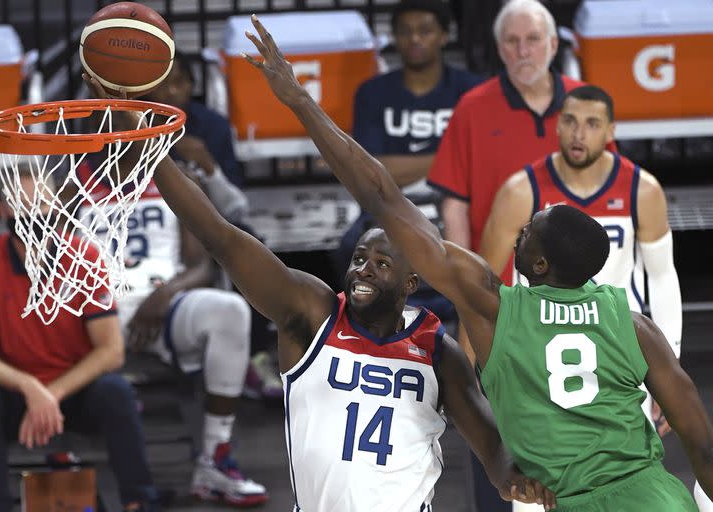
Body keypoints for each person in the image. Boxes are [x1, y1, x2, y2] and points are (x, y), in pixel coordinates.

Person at [240, 14, 713, 511]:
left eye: (529, 231)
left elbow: (382, 196)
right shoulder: (634, 325)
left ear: (542, 265)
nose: (520, 230)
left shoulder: (497, 308)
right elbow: (700, 445)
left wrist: (298, 101)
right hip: (655, 495)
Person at [84, 74, 557, 511]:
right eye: (358, 259)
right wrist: (144, 141)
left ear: (412, 284)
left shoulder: (438, 352)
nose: (363, 271)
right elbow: (220, 236)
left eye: (382, 264)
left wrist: (510, 477)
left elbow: (491, 445)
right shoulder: (311, 314)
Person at [479, 84, 704, 511]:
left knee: (626, 470)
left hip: (617, 351)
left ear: (610, 130)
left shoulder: (642, 188)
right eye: (570, 121)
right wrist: (487, 379)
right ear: (557, 124)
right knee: (533, 489)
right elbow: (491, 288)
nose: (578, 133)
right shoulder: (520, 191)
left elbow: (662, 279)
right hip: (534, 356)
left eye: (592, 123)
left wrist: (666, 366)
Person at [75, 98, 268, 506]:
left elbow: (202, 266)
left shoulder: (175, 181)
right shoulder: (71, 184)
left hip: (161, 306)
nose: (116, 131)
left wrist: (164, 295)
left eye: (125, 121)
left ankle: (215, 458)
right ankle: (63, 462)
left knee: (229, 310)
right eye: (106, 122)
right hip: (94, 312)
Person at [0, 170, 158, 512]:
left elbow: (111, 352)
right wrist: (30, 388)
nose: (33, 215)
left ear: (57, 206)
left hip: (74, 393)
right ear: (2, 212)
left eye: (41, 204)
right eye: (21, 206)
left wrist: (51, 394)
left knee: (116, 391)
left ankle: (138, 502)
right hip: (18, 397)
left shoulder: (86, 258)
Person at [427, 0, 613, 286]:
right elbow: (455, 206)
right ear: (500, 49)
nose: (523, 52)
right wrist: (465, 282)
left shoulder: (587, 102)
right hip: (501, 281)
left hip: (579, 281)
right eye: (512, 41)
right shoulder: (472, 107)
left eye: (533, 39)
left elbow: (611, 185)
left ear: (553, 44)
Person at [145, 52, 283, 401]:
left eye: (178, 82)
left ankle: (255, 350)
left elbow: (236, 208)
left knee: (249, 244)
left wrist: (210, 168)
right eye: (160, 82)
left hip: (203, 229)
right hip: (152, 225)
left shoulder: (212, 126)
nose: (169, 91)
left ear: (191, 87)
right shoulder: (134, 125)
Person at [335, 0, 481, 322]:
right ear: (395, 37)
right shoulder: (372, 93)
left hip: (453, 204)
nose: (415, 39)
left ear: (445, 35)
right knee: (351, 247)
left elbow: (480, 166)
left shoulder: (471, 91)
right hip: (389, 207)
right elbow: (369, 174)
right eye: (406, 32)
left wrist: (397, 167)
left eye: (425, 31)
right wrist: (449, 157)